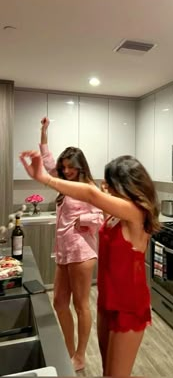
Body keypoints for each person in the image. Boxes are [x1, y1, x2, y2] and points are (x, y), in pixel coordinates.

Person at [19, 150, 160, 377]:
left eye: (112, 184)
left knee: (116, 374)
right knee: (107, 371)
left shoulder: (136, 213)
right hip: (107, 301)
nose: (107, 188)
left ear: (127, 185)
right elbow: (90, 199)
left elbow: (90, 195)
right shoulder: (115, 214)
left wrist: (46, 179)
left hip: (129, 305)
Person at [39, 117, 103, 372]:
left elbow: (101, 217)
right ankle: (67, 349)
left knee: (81, 304)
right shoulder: (66, 184)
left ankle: (80, 354)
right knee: (59, 302)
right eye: (63, 167)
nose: (65, 171)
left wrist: (83, 219)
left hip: (82, 251)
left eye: (70, 168)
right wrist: (44, 131)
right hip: (64, 251)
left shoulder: (89, 187)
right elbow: (46, 163)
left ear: (80, 167)